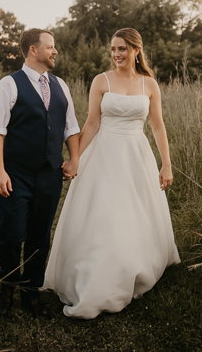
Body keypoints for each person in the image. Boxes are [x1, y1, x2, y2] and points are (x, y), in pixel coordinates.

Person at [43, 27, 180, 318]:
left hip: (136, 155)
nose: (117, 54)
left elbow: (157, 126)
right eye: (113, 50)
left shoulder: (149, 85)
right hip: (104, 153)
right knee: (103, 213)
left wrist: (166, 163)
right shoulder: (101, 81)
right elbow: (92, 122)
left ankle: (132, 265)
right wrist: (75, 158)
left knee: (134, 213)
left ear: (136, 50)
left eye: (123, 49)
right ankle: (94, 276)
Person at [0, 28, 80, 319]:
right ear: (33, 51)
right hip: (16, 174)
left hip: (50, 174)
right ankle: (7, 290)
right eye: (50, 47)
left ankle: (32, 293)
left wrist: (74, 159)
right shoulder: (8, 85)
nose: (55, 52)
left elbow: (70, 127)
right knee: (13, 235)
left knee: (40, 236)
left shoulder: (61, 85)